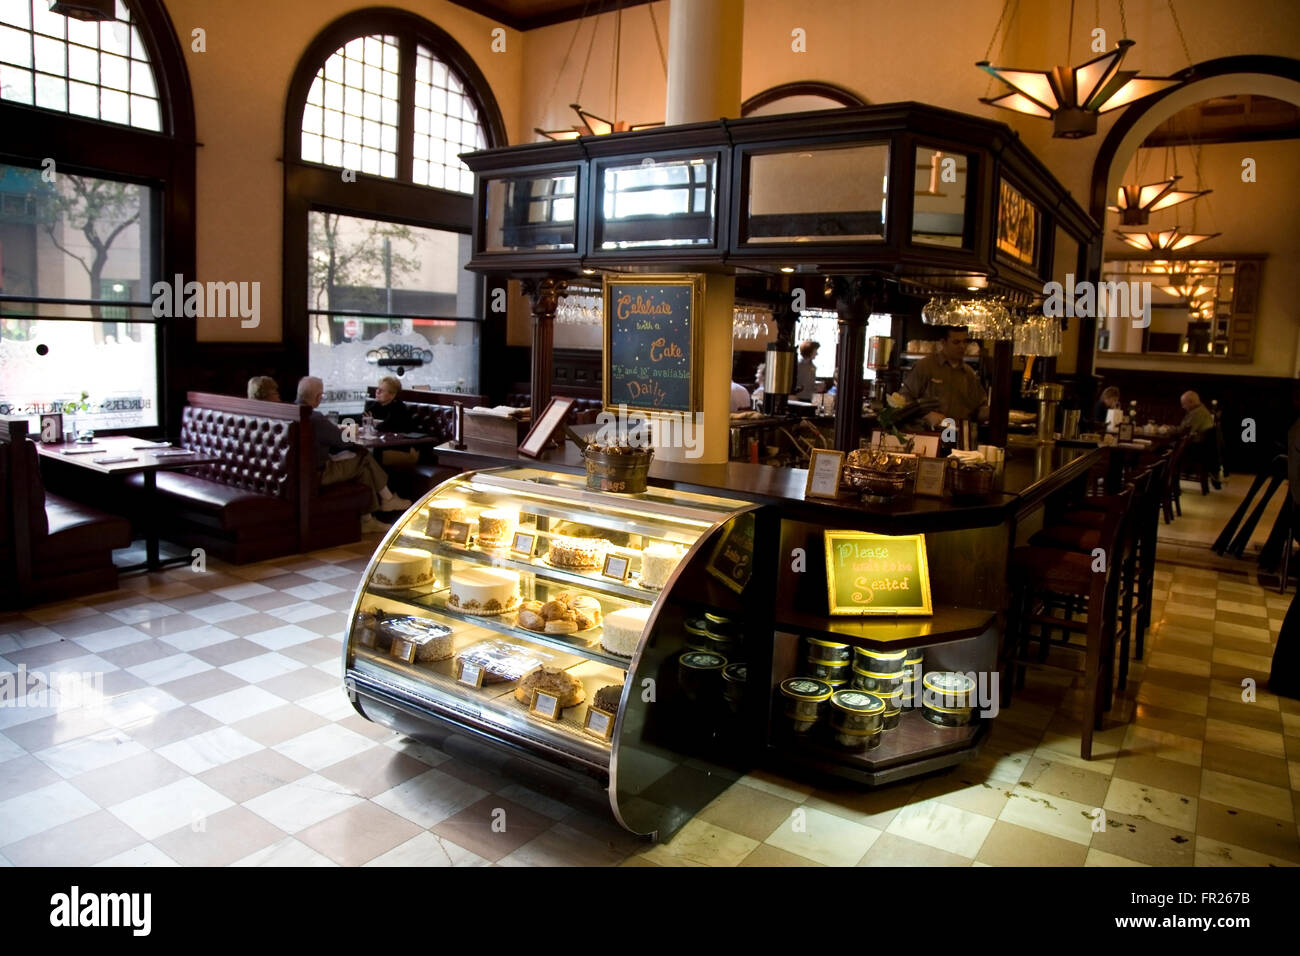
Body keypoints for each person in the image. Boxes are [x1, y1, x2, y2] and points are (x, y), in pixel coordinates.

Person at [296, 376, 411, 532]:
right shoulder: (315, 418)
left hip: (297, 474)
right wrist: (344, 431)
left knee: (363, 468)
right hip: (318, 474)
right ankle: (387, 499)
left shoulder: (291, 412)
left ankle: (368, 520)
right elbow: (343, 441)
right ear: (317, 397)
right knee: (363, 456)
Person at [900, 326, 988, 428]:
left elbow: (979, 409)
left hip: (957, 435)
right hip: (929, 435)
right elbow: (903, 399)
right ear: (943, 342)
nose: (962, 346)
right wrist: (926, 415)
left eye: (965, 342)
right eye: (956, 342)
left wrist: (995, 411)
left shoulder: (969, 374)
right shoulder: (925, 366)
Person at [1179, 390, 1221, 491]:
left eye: (1184, 404)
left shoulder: (1198, 413)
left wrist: (1168, 429)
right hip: (1201, 448)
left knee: (1165, 452)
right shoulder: (1199, 410)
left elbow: (1184, 431)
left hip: (1197, 450)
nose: (1183, 407)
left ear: (1191, 402)